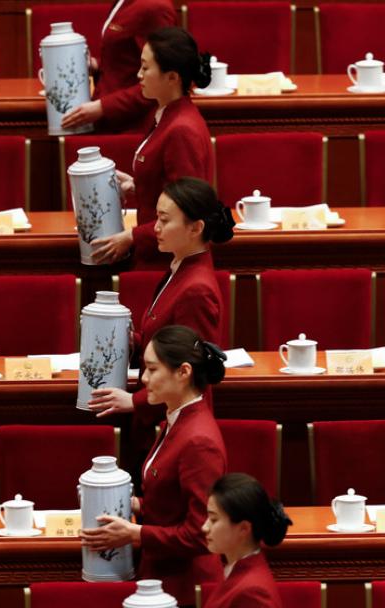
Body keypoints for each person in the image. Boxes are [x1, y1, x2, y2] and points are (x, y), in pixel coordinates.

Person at [81, 324, 228, 606]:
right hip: (164, 576)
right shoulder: (177, 420)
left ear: (183, 372)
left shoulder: (199, 441)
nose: (144, 378)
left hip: (187, 588)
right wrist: (135, 504)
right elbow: (173, 503)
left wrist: (136, 534)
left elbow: (201, 533)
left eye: (152, 369)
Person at [88, 177, 234, 450]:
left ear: (196, 228)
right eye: (157, 218)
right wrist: (134, 341)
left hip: (172, 425)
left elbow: (190, 369)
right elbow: (169, 344)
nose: (155, 227)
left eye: (165, 220)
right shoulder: (181, 267)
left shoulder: (196, 290)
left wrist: (135, 401)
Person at [88, 27, 214, 267]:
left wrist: (131, 236)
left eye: (145, 68)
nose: (139, 75)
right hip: (155, 254)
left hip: (165, 263)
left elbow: (186, 212)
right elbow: (171, 186)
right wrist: (140, 185)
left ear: (172, 77)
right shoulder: (167, 115)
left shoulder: (181, 130)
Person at [61, 0, 177, 133]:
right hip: (110, 122)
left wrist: (103, 107)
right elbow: (127, 58)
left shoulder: (155, 7)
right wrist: (96, 65)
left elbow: (163, 82)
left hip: (133, 127)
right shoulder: (125, 2)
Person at [202, 473, 293, 608]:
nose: (204, 527)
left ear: (244, 528)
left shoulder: (253, 593)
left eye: (214, 519)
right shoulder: (235, 569)